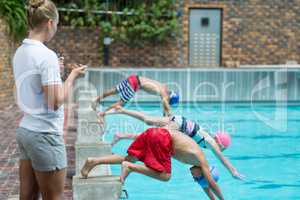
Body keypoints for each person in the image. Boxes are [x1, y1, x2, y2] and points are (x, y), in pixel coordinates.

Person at [13, 0, 86, 199]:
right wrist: (72, 76)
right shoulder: (46, 56)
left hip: (26, 130)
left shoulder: (20, 52)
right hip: (45, 135)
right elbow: (54, 101)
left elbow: (35, 87)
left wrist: (56, 74)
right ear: (49, 23)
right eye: (57, 23)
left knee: (26, 196)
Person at [81, 127, 225, 200]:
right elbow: (211, 183)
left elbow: (207, 187)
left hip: (154, 133)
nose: (194, 178)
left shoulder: (199, 164)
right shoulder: (201, 160)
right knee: (166, 176)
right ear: (205, 174)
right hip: (163, 139)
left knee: (128, 158)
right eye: (197, 178)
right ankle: (130, 168)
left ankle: (93, 161)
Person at [108, 106, 244, 180]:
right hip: (179, 126)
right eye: (222, 148)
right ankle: (122, 135)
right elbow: (222, 158)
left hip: (179, 120)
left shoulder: (208, 137)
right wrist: (233, 171)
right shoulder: (210, 142)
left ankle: (122, 112)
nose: (220, 150)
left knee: (148, 122)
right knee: (152, 136)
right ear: (220, 144)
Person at [91, 75, 179, 117]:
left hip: (133, 78)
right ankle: (102, 113)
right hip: (135, 84)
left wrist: (165, 115)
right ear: (170, 98)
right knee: (121, 104)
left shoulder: (163, 87)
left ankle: (96, 99)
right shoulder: (165, 94)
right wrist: (170, 114)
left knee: (114, 91)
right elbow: (165, 103)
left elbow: (164, 107)